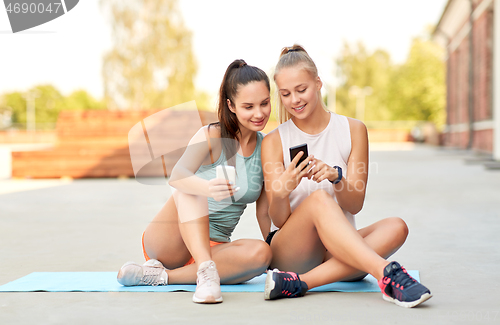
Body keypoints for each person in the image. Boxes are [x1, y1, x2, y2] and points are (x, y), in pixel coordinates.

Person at [261, 45, 432, 308]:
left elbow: (355, 205)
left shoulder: (353, 130)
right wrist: (283, 189)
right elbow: (278, 219)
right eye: (285, 94)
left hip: (337, 251)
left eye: (301, 89)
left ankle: (300, 283)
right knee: (318, 201)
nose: (294, 100)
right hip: (293, 251)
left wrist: (336, 178)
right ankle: (386, 272)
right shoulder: (274, 141)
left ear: (318, 83)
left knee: (397, 226)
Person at [117, 59, 273, 304]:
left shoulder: (266, 148)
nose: (259, 113)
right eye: (248, 106)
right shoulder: (211, 135)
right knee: (189, 185)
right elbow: (177, 177)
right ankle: (206, 272)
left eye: (264, 103)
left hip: (216, 247)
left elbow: (264, 212)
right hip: (171, 239)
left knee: (263, 253)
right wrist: (207, 187)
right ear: (231, 105)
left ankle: (162, 277)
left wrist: (276, 258)